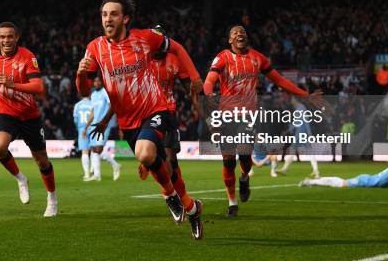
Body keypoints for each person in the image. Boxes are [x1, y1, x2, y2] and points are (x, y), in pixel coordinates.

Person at [75, 0, 204, 240]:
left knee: (151, 155)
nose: (107, 19)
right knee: (151, 158)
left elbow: (176, 47)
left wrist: (195, 76)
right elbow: (84, 91)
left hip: (157, 108)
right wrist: (81, 75)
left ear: (125, 18)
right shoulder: (95, 48)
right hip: (128, 121)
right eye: (104, 14)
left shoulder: (146, 38)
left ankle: (170, 196)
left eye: (113, 14)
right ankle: (192, 208)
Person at [203, 24, 324, 217]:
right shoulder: (223, 57)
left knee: (244, 156)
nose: (240, 34)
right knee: (227, 161)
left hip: (248, 116)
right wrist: (208, 94)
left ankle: (244, 178)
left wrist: (305, 95)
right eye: (235, 32)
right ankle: (232, 202)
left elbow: (280, 81)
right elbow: (209, 80)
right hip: (226, 116)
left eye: (242, 31)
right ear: (230, 40)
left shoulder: (258, 58)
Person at [0, 22, 57, 217]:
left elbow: (38, 87)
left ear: (17, 38)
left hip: (29, 115)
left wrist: (12, 84)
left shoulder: (28, 57)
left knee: (42, 161)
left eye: (10, 37)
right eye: (2, 37)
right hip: (6, 112)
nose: (6, 40)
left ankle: (52, 198)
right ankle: (21, 179)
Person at [139, 25, 198, 208]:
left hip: (168, 111)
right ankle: (176, 197)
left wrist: (197, 106)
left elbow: (189, 84)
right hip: (146, 113)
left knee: (172, 159)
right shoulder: (141, 60)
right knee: (155, 156)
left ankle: (177, 196)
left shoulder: (174, 59)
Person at [83, 77, 121, 181]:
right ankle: (98, 175)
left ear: (102, 82)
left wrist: (113, 121)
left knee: (98, 149)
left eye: (99, 81)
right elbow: (92, 112)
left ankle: (113, 166)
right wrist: (86, 127)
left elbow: (112, 105)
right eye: (95, 81)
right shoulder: (94, 95)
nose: (97, 83)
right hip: (94, 126)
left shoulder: (105, 92)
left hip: (104, 125)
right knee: (94, 150)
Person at [300, 156, 388, 189]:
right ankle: (310, 182)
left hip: (367, 181)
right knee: (341, 184)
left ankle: (315, 180)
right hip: (365, 181)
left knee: (340, 182)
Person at [277, 95, 319, 178]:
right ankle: (316, 171)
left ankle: (285, 169)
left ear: (296, 100)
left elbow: (305, 121)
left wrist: (309, 133)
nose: (291, 100)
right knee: (308, 151)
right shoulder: (299, 108)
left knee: (293, 148)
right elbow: (297, 123)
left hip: (301, 132)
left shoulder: (301, 108)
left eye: (292, 99)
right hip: (302, 132)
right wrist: (289, 130)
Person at [73, 95, 93, 180]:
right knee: (94, 150)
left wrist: (79, 128)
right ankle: (93, 170)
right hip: (92, 128)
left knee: (84, 152)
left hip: (82, 129)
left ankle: (87, 174)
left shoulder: (77, 105)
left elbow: (75, 119)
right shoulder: (92, 103)